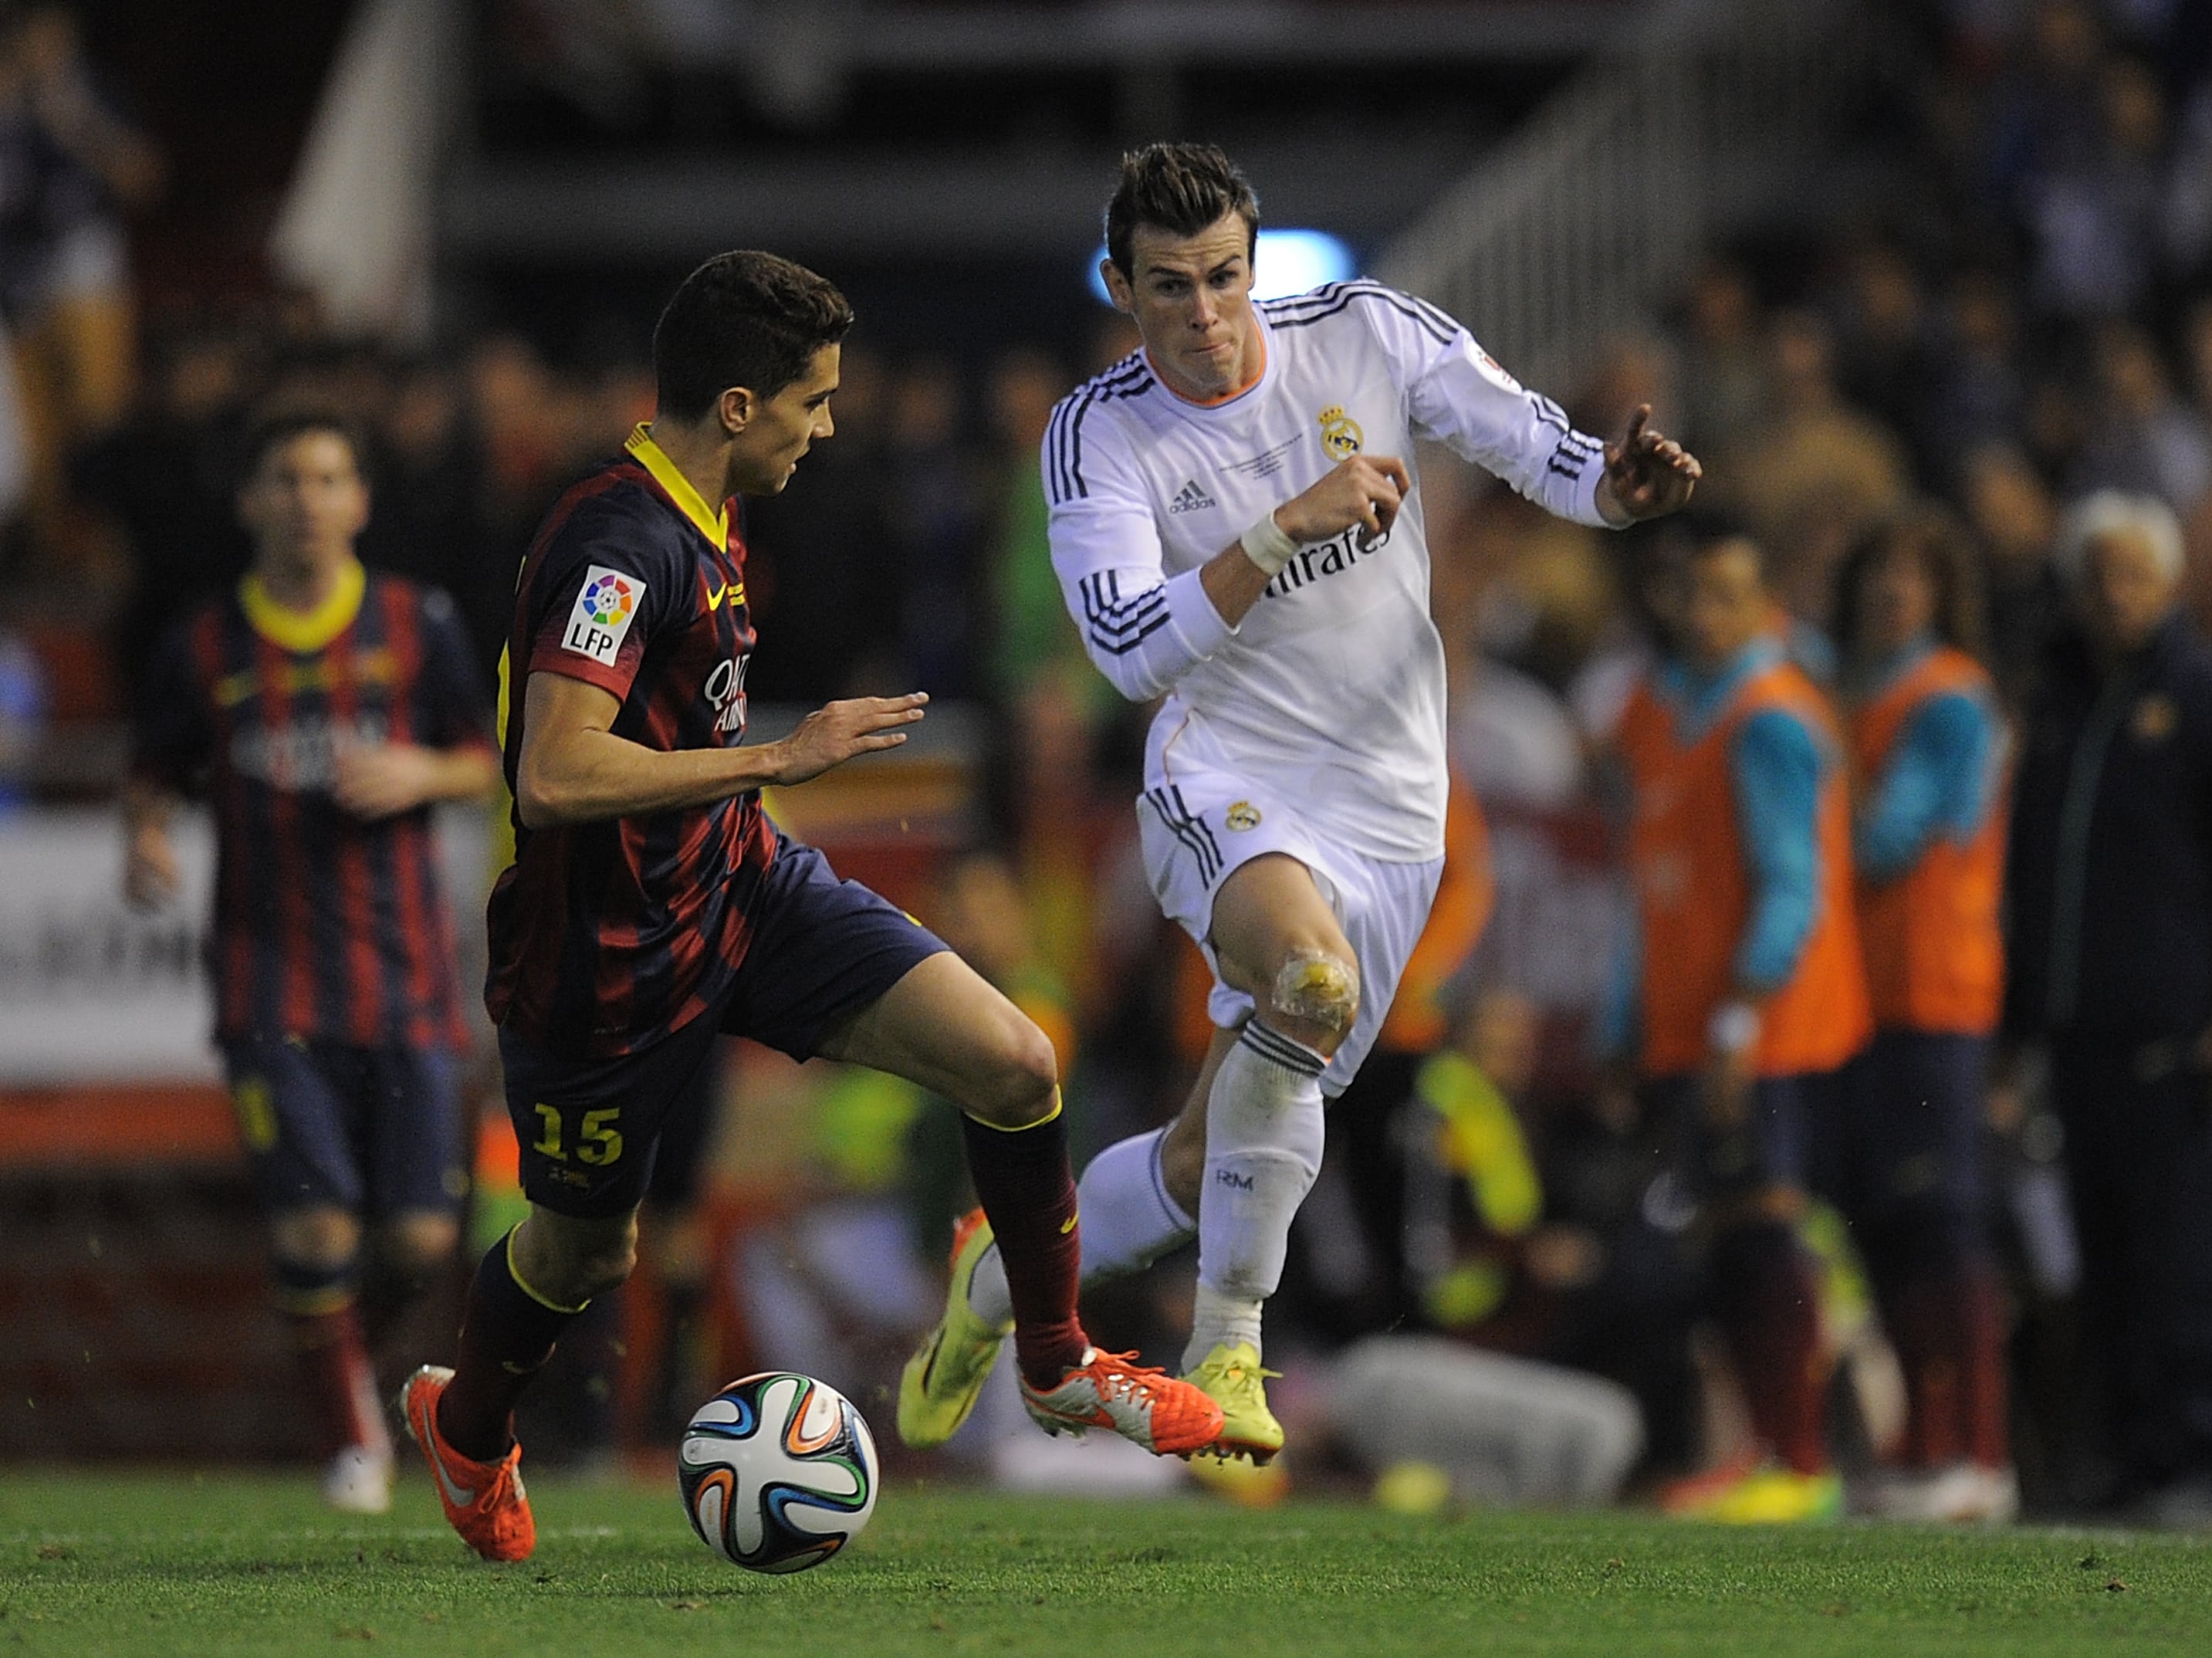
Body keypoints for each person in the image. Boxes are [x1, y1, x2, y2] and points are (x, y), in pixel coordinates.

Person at [397, 251, 1222, 1565]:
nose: (828, 427)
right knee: (579, 1258)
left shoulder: (709, 519)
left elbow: (673, 736)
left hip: (741, 886)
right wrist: (777, 759)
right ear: (737, 405)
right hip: (599, 959)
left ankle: (1058, 1360)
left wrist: (765, 814)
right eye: (813, 402)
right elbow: (554, 773)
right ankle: (471, 1428)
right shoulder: (619, 542)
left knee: (1015, 1062)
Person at [898, 142, 1698, 1464]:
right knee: (1308, 987)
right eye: (1169, 288)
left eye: (1223, 278)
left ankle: (997, 1281)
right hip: (1228, 776)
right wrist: (1277, 530)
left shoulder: (1366, 334)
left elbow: (1540, 449)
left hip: (1392, 810)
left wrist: (1617, 488)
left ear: (1252, 264)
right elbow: (1123, 647)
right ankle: (1232, 1342)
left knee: (1194, 1159)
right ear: (1121, 284)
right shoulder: (1098, 431)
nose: (1204, 316)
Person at [123, 410, 501, 1513]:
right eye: (285, 477)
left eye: (329, 476)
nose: (307, 497)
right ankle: (351, 1443)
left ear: (360, 501)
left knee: (422, 1238)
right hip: (268, 982)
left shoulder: (415, 623)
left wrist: (419, 773)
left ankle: (328, 1359)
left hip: (411, 980)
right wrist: (144, 833)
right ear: (250, 501)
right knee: (317, 1226)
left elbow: (484, 762)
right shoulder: (201, 645)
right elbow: (153, 770)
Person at [2004, 491, 2212, 1531]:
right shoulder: (2061, 702)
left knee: (2188, 1256)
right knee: (2108, 1254)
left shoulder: (2208, 698)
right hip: (2082, 1031)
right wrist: (2021, 1024)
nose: (2115, 597)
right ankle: (2134, 1459)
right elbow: (2031, 871)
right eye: (2098, 577)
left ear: (2167, 584)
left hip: (2180, 1028)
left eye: (2132, 576)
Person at [1607, 530, 1871, 1524]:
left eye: (1731, 597)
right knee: (1723, 1236)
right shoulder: (1670, 715)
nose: (1708, 615)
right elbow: (1654, 887)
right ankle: (1758, 1451)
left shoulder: (1771, 720)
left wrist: (1736, 1022)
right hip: (1690, 1025)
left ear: (1765, 610)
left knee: (1764, 1228)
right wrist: (1622, 1020)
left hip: (1761, 1031)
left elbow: (1792, 888)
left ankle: (1801, 1461)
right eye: (1694, 594)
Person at [1830, 508, 2015, 1522]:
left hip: (1933, 989)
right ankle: (1927, 1443)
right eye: (1880, 574)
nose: (1892, 593)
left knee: (1942, 1219)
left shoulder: (1948, 702)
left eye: (1914, 577)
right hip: (1864, 996)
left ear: (1943, 597)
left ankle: (1978, 1449)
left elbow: (1885, 839)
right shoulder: (1860, 700)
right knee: (1888, 1223)